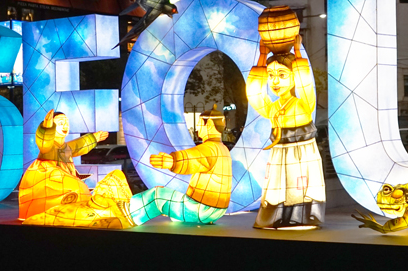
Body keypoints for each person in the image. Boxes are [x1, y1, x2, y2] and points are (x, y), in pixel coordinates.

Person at [246, 35, 325, 229]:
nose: (275, 81)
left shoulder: (303, 103)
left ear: (294, 77)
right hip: (280, 151)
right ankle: (276, 217)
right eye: (271, 75)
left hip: (302, 151)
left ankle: (304, 216)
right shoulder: (272, 107)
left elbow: (306, 84)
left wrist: (297, 54)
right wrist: (262, 57)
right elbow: (255, 94)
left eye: (282, 75)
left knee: (300, 185)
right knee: (278, 187)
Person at [127, 105, 233, 226]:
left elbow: (192, 158)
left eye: (199, 124)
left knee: (157, 196)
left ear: (208, 124)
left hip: (201, 209)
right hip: (217, 211)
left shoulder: (210, 149)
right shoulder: (224, 149)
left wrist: (172, 161)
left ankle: (127, 214)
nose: (198, 128)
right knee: (173, 203)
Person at [17, 108, 108, 221]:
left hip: (63, 178)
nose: (65, 125)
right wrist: (47, 127)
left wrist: (94, 138)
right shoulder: (48, 147)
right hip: (46, 177)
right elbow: (44, 140)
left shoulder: (66, 147)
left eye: (66, 123)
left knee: (78, 191)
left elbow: (78, 145)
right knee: (76, 188)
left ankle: (69, 212)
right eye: (60, 123)